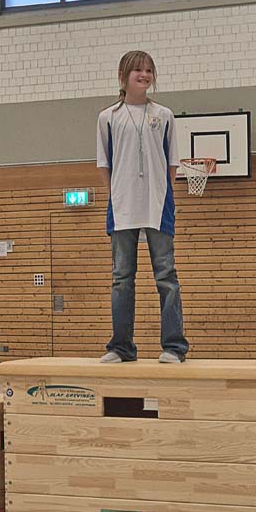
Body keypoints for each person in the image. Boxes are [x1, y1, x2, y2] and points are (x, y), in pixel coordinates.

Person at [97, 50, 188, 364]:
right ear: (124, 76)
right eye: (138, 70)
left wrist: (162, 195)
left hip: (158, 205)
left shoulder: (164, 115)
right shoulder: (108, 117)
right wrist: (116, 197)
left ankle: (174, 347)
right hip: (122, 206)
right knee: (122, 278)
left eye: (149, 70)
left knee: (166, 276)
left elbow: (172, 162)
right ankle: (121, 347)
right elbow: (104, 164)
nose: (144, 75)